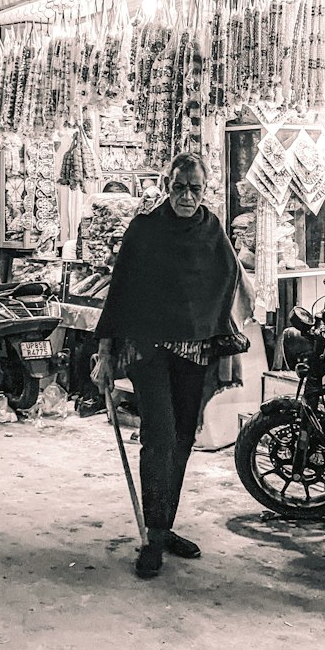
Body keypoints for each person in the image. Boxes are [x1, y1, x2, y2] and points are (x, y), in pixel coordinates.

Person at [92, 152, 242, 580]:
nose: (187, 197)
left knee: (182, 439)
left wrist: (217, 334)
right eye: (180, 187)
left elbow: (228, 279)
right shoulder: (144, 230)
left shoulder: (212, 230)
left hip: (194, 352)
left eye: (196, 189)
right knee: (158, 439)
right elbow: (120, 290)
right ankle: (153, 540)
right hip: (149, 352)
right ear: (165, 185)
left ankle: (163, 523)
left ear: (205, 189)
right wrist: (106, 351)